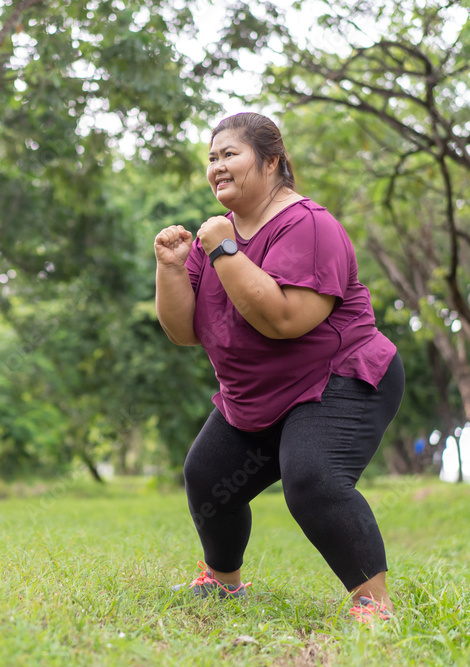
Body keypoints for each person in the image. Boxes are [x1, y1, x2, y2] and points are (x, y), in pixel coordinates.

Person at [154, 112, 404, 622]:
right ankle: (223, 585)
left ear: (272, 162)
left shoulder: (308, 225)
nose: (217, 166)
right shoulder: (215, 237)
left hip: (340, 377)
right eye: (212, 157)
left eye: (230, 154)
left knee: (313, 478)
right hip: (259, 394)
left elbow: (286, 319)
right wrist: (172, 267)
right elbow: (183, 332)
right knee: (207, 475)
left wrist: (224, 248)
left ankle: (373, 606)